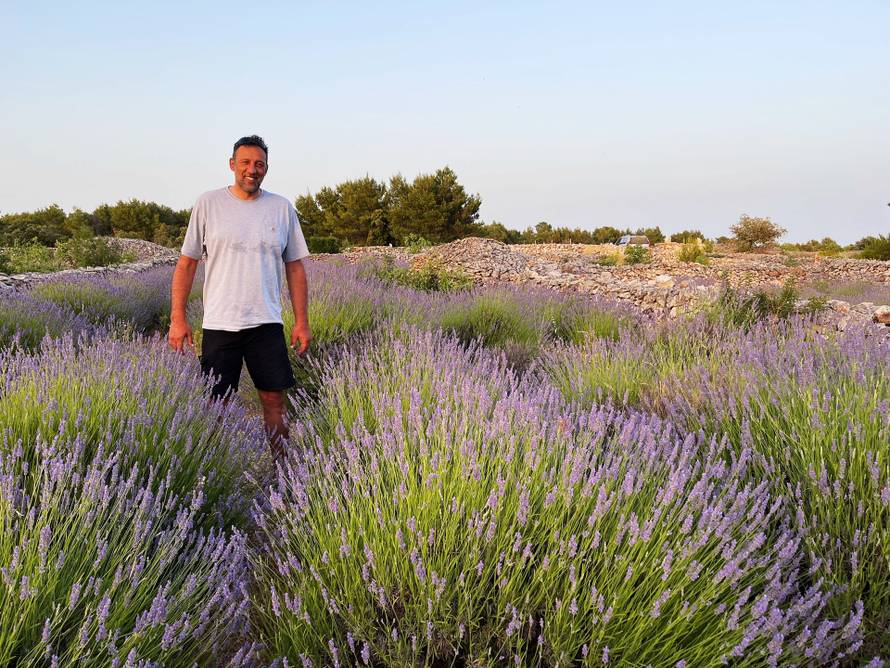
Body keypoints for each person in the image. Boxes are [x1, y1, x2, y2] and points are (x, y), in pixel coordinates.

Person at [167, 135, 311, 457]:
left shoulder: (281, 208)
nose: (252, 170)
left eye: (259, 164)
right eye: (245, 163)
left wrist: (302, 322)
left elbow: (296, 269)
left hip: (266, 322)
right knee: (217, 403)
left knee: (274, 400)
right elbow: (187, 263)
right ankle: (218, 472)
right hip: (220, 323)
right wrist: (178, 318)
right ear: (232, 165)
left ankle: (284, 473)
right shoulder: (208, 204)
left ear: (266, 169)